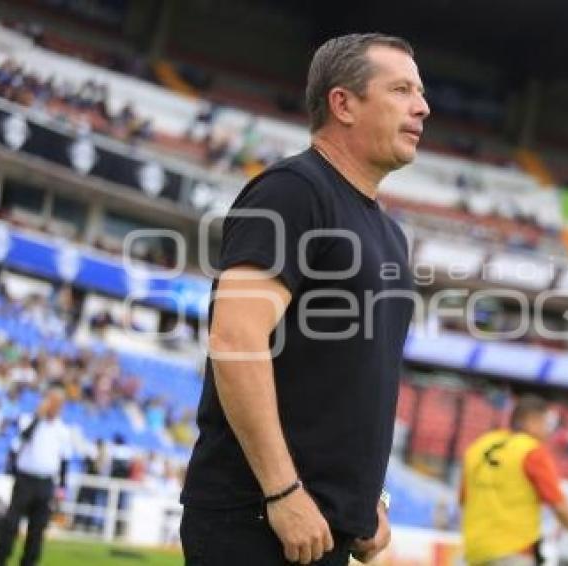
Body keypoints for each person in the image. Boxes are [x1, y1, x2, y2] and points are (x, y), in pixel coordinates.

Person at [180, 33, 428, 566]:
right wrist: (282, 492)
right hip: (258, 520)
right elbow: (235, 337)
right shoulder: (293, 191)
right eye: (402, 89)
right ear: (343, 104)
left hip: (324, 528)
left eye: (420, 92)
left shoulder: (388, 233)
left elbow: (358, 379)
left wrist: (368, 502)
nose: (422, 106)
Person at [461, 395, 568, 566]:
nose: (548, 431)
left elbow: (464, 500)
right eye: (546, 423)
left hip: (475, 551)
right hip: (513, 550)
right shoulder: (531, 450)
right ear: (532, 421)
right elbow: (558, 503)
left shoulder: (478, 446)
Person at [0, 386, 73, 566]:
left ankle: (28, 563)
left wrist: (62, 487)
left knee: (37, 529)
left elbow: (65, 460)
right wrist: (38, 417)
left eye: (58, 403)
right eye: (51, 401)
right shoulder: (29, 420)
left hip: (45, 483)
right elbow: (20, 441)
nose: (54, 406)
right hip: (25, 480)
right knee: (11, 524)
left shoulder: (63, 430)